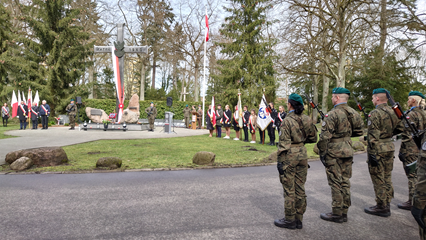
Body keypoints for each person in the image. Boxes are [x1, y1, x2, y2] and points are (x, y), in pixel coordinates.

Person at [317, 87, 364, 223]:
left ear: (337, 97)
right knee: (345, 181)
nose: (332, 99)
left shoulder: (332, 114)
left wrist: (322, 151)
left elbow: (325, 136)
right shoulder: (354, 113)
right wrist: (345, 137)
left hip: (334, 151)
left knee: (335, 182)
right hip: (348, 150)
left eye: (332, 97)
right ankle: (344, 211)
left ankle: (337, 212)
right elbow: (359, 132)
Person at [274, 93, 318, 229]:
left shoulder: (287, 120)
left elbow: (284, 144)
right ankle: (299, 219)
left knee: (289, 189)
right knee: (300, 188)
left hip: (290, 156)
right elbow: (313, 138)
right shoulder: (307, 119)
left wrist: (280, 162)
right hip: (302, 155)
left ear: (290, 104)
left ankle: (289, 219)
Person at [364, 88, 403, 217]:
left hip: (378, 149)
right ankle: (387, 202)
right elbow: (400, 128)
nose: (372, 100)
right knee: (387, 176)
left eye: (373, 98)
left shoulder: (375, 113)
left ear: (377, 98)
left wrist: (371, 154)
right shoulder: (393, 112)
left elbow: (372, 137)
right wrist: (388, 134)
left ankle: (382, 206)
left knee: (378, 177)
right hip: (389, 147)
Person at [398, 91, 426, 210]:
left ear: (414, 100)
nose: (407, 101)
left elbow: (406, 134)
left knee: (412, 176)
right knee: (420, 176)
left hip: (411, 148)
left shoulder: (411, 115)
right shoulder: (424, 113)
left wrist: (402, 150)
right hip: (421, 147)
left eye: (409, 99)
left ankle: (412, 201)